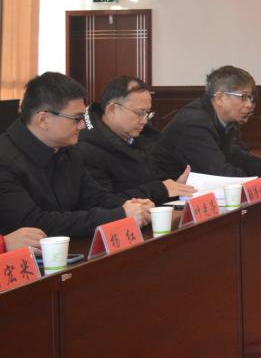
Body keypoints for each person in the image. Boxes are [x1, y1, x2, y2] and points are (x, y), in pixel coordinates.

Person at [0, 72, 151, 238]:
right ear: (43, 120)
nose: (83, 126)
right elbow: (36, 223)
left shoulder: (69, 151)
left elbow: (94, 198)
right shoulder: (5, 161)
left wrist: (132, 206)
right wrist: (120, 215)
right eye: (77, 118)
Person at [151, 66, 261, 181]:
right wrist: (257, 182)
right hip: (165, 199)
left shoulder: (226, 121)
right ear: (220, 98)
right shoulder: (194, 124)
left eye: (250, 98)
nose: (249, 105)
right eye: (244, 97)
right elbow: (219, 175)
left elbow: (239, 158)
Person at [81, 76, 196, 203]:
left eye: (147, 113)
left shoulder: (142, 138)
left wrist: (177, 187)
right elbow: (104, 203)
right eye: (140, 113)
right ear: (112, 110)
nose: (144, 121)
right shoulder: (87, 149)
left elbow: (157, 184)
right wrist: (161, 190)